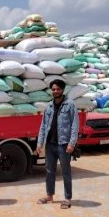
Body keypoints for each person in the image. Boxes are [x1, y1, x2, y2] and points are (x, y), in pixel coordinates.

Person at [34, 79, 79, 209]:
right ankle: (50, 195)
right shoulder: (49, 106)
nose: (55, 91)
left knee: (65, 171)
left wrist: (72, 143)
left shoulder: (70, 105)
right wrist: (39, 143)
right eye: (53, 89)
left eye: (58, 89)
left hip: (63, 144)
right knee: (49, 171)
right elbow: (43, 126)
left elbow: (75, 125)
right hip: (50, 144)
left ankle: (67, 198)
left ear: (63, 90)